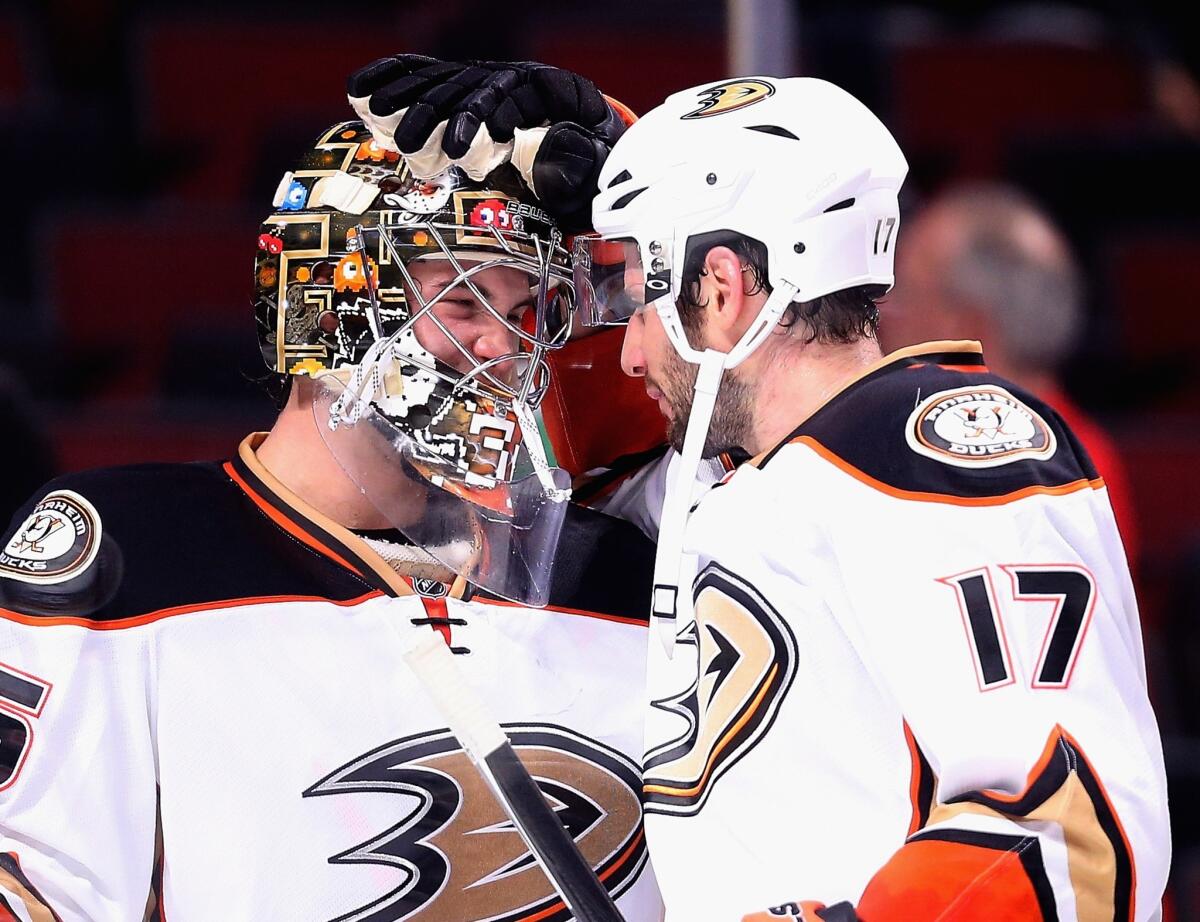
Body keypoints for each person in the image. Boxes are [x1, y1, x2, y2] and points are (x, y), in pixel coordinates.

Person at [0, 118, 667, 921]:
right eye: (462, 301)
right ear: (327, 304)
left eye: (526, 309)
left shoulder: (622, 574)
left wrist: (622, 141)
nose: (505, 343)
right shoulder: (135, 554)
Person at [571, 76, 1170, 920]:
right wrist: (589, 140)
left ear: (720, 285)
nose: (629, 351)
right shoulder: (734, 477)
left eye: (638, 298)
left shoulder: (937, 452)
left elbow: (1067, 831)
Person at [880, 182, 1141, 574]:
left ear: (967, 324)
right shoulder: (1086, 458)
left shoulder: (1034, 468)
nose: (883, 316)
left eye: (905, 294)